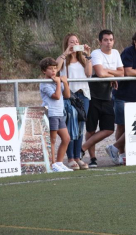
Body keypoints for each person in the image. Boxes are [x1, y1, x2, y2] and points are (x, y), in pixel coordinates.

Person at [106, 31, 136, 165]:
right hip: (122, 95)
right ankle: (121, 154)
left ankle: (114, 148)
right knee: (122, 127)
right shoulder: (127, 52)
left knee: (135, 126)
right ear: (135, 42)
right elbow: (127, 71)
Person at [81, 29, 124, 168]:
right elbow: (99, 73)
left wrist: (108, 73)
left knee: (109, 129)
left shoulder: (116, 53)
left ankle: (82, 148)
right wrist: (112, 75)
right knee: (91, 130)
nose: (108, 42)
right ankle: (93, 158)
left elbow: (122, 73)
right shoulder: (95, 53)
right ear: (100, 41)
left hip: (107, 96)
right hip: (93, 96)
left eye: (111, 40)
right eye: (105, 40)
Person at [56, 33, 92, 170]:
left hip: (83, 95)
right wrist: (66, 52)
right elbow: (57, 68)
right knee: (71, 126)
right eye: (71, 42)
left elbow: (89, 73)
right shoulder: (64, 59)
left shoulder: (83, 58)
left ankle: (78, 156)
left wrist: (88, 55)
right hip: (70, 95)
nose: (74, 43)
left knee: (81, 126)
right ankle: (70, 158)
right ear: (67, 43)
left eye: (76, 41)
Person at [39, 57, 73, 172]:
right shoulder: (45, 84)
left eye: (55, 68)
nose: (53, 71)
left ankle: (59, 162)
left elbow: (67, 95)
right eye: (50, 69)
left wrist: (65, 83)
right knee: (52, 140)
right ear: (44, 71)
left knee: (66, 138)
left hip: (60, 113)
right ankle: (53, 164)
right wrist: (59, 83)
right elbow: (57, 96)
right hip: (51, 113)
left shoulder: (57, 81)